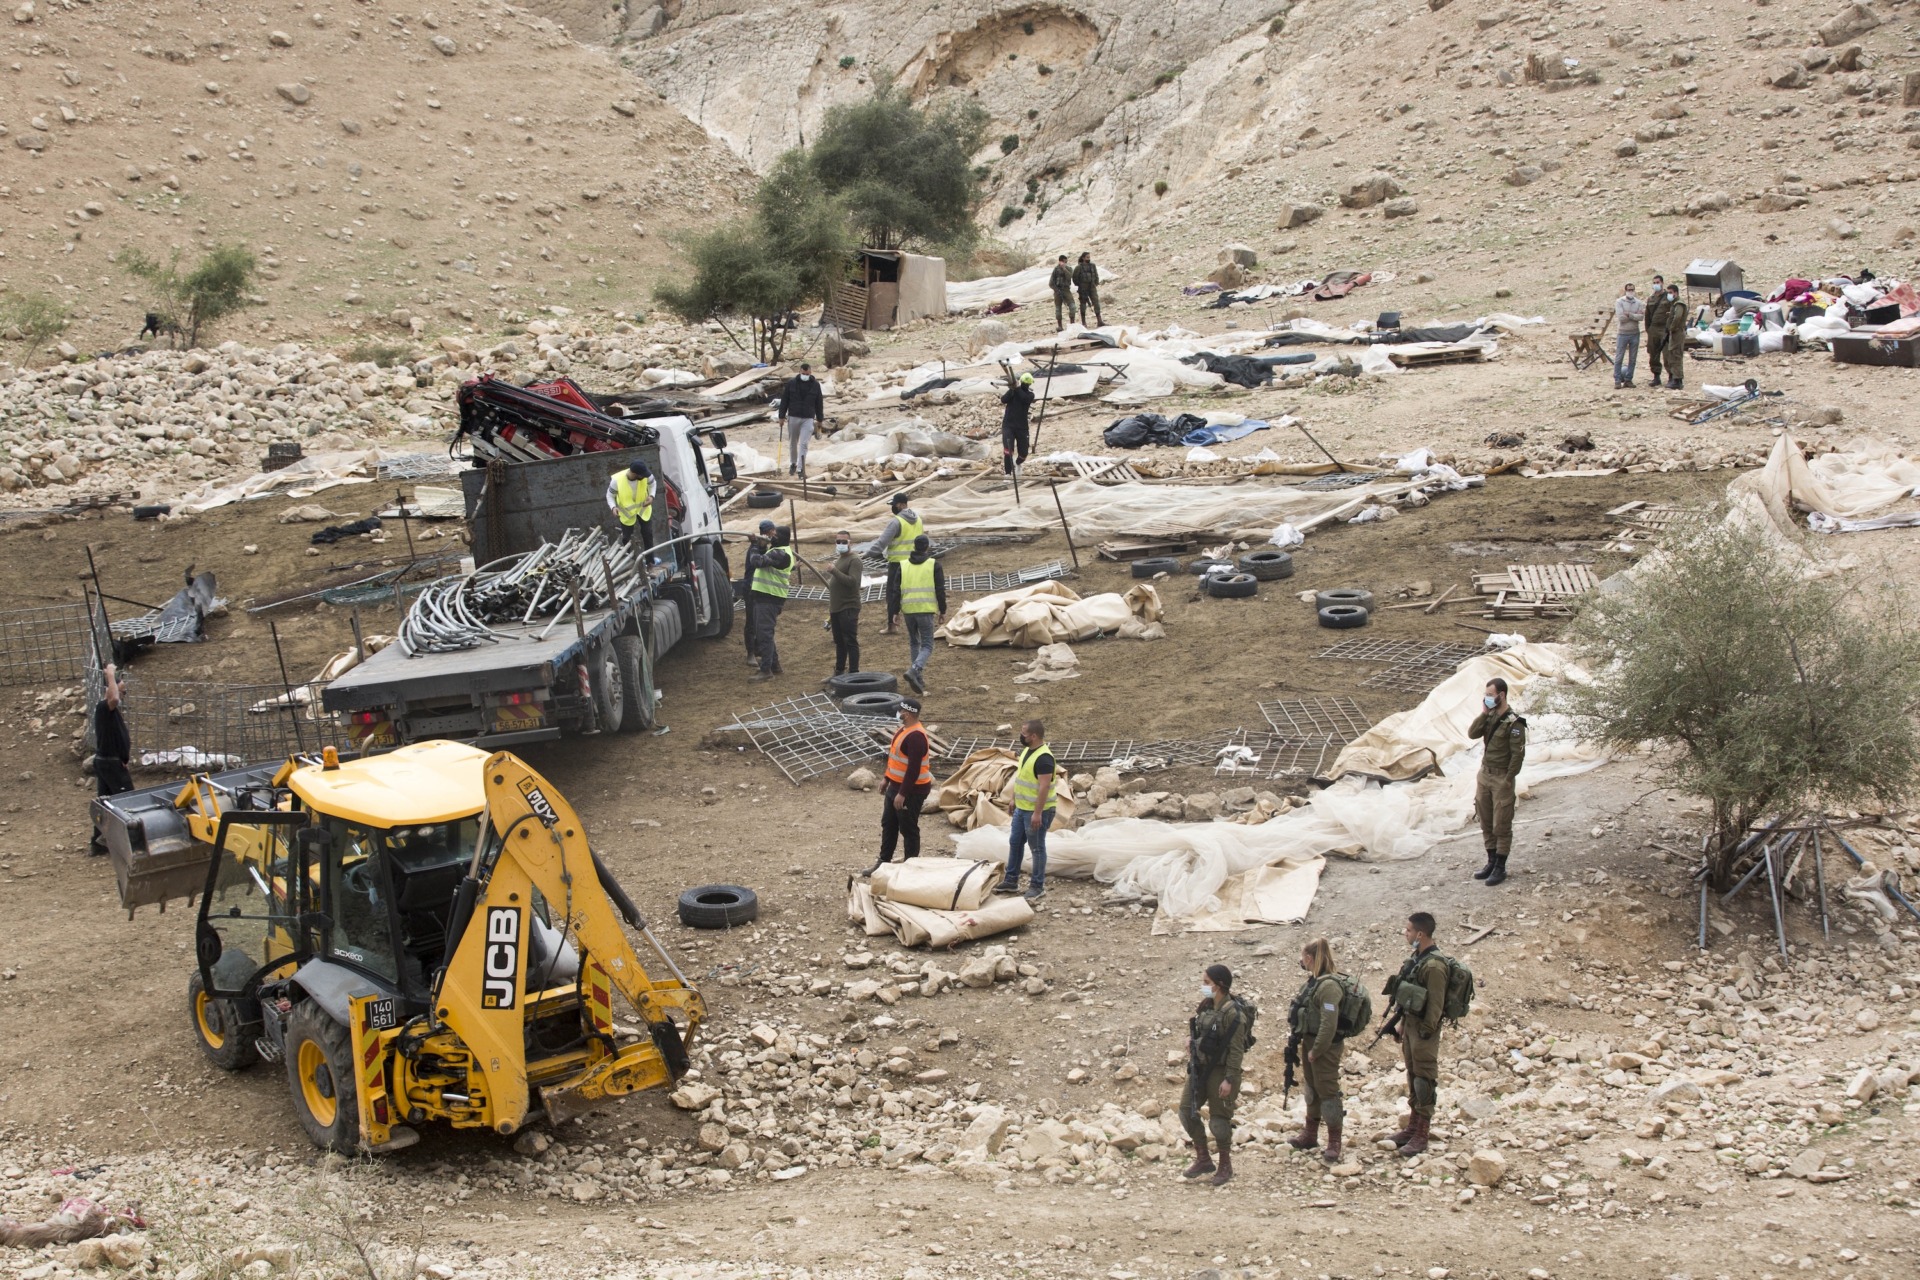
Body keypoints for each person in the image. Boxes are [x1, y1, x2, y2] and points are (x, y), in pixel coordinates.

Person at [1180, 963, 1251, 1186]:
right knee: (1186, 1110)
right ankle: (1203, 1158)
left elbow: (1236, 1050)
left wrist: (1229, 1079)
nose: (1203, 987)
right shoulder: (1207, 1006)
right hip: (1200, 1068)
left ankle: (1225, 1164)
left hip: (1221, 1072)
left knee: (1219, 1121)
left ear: (1219, 986)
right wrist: (1192, 1042)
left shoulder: (1233, 1013)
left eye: (1207, 983)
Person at [1385, 912, 1450, 1157]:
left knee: (1424, 1079)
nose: (1406, 933)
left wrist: (1425, 1031)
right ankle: (1413, 1127)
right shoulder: (1418, 959)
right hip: (1412, 1024)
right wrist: (1402, 1023)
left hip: (1424, 1029)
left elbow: (1435, 1004)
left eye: (1409, 930)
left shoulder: (1434, 965)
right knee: (1413, 1076)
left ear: (1420, 934)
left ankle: (1422, 1132)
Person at [1285, 938, 1351, 1164]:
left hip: (1325, 1047)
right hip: (1310, 1041)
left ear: (1310, 958)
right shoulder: (1313, 982)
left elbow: (1329, 1023)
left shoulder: (1329, 986)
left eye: (1303, 956)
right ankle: (1310, 1134)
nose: (1301, 961)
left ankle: (1334, 1142)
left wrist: (1317, 1050)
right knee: (1312, 1089)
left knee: (1328, 1092)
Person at [1466, 676, 1527, 886]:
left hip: (1501, 777)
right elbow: (1472, 733)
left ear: (1501, 695)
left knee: (1501, 823)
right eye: (1486, 695)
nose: (1487, 698)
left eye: (1490, 695)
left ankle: (1500, 866)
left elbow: (1517, 755)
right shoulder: (1490, 716)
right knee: (1485, 818)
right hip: (1485, 775)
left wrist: (1509, 779)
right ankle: (1490, 861)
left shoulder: (1515, 723)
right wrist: (1483, 713)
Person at [867, 697, 932, 874]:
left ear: (908, 714)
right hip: (896, 787)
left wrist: (902, 794)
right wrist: (886, 779)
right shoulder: (903, 730)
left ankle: (910, 868)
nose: (898, 713)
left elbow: (913, 769)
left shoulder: (916, 737)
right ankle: (883, 862)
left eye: (901, 711)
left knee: (908, 828)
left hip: (912, 791)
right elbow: (896, 760)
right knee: (889, 824)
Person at [993, 719, 1055, 902]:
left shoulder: (1044, 758)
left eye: (1024, 733)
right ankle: (1011, 880)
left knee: (1037, 848)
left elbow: (1043, 788)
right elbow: (1021, 777)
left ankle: (1037, 886)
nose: (1021, 736)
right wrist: (1014, 798)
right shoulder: (1028, 751)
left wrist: (1037, 813)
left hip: (1037, 812)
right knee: (1015, 842)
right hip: (1022, 808)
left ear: (1034, 736)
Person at [887, 533, 946, 694]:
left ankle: (918, 678)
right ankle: (915, 670)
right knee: (927, 645)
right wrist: (943, 610)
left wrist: (894, 612)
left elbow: (895, 591)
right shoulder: (934, 565)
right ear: (927, 547)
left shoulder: (903, 565)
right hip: (925, 610)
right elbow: (940, 590)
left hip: (908, 611)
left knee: (914, 642)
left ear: (914, 547)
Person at [89, 663, 134, 856]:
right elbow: (114, 697)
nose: (122, 696)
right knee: (129, 801)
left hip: (109, 762)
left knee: (105, 804)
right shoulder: (104, 707)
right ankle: (132, 841)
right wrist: (111, 673)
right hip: (110, 764)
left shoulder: (109, 711)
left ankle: (99, 842)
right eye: (122, 692)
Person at [864, 493, 925, 634]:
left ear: (900, 504)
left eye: (894, 504)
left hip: (897, 565)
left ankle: (892, 626)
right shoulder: (918, 519)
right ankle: (918, 625)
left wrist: (867, 554)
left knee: (893, 595)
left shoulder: (896, 522)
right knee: (914, 594)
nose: (893, 507)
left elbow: (881, 543)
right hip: (915, 562)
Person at [745, 525, 792, 682]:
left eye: (775, 534)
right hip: (765, 597)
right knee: (766, 633)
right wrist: (763, 547)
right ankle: (774, 666)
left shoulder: (781, 553)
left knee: (764, 634)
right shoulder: (776, 551)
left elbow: (756, 562)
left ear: (781, 538)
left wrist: (754, 545)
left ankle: (766, 671)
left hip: (769, 598)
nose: (771, 535)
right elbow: (766, 561)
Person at [777, 362, 825, 477]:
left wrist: (820, 419)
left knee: (804, 444)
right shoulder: (791, 384)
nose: (805, 375)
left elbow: (819, 403)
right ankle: (793, 463)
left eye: (807, 374)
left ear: (810, 372)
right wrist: (781, 416)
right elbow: (785, 400)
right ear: (799, 372)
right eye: (803, 373)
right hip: (793, 416)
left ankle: (800, 469)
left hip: (808, 418)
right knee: (793, 442)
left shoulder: (815, 385)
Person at [826, 528, 863, 678]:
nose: (840, 544)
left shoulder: (854, 560)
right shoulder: (840, 558)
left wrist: (834, 571)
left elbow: (853, 583)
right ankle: (839, 672)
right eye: (838, 541)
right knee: (839, 642)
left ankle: (853, 673)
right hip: (836, 608)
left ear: (850, 542)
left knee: (850, 641)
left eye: (843, 541)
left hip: (848, 607)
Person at [743, 518, 777, 667]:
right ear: (767, 532)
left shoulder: (767, 547)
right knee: (751, 622)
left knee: (760, 624)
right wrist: (754, 544)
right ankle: (751, 653)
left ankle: (759, 650)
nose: (774, 534)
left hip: (761, 589)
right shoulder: (755, 549)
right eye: (772, 531)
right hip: (751, 589)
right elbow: (756, 562)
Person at [604, 459, 654, 553]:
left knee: (648, 534)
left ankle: (650, 562)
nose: (645, 476)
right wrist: (613, 507)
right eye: (642, 475)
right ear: (635, 474)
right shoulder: (617, 481)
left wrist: (651, 496)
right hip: (626, 514)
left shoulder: (646, 476)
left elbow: (652, 483)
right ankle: (631, 561)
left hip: (643, 510)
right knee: (626, 539)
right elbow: (610, 495)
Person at [1000, 372, 1036, 475]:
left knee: (1024, 452)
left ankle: (1018, 463)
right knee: (1008, 450)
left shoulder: (1030, 395)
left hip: (1022, 427)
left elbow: (1024, 398)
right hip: (1009, 425)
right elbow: (1003, 400)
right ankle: (1007, 473)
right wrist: (1012, 389)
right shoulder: (1013, 392)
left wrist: (1017, 388)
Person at [1612, 281, 1644, 389]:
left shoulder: (1639, 303)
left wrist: (1629, 314)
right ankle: (1617, 379)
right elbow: (1621, 318)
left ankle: (1628, 379)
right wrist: (1634, 316)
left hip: (1635, 333)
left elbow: (1641, 317)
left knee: (1633, 358)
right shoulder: (1619, 302)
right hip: (1623, 333)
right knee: (1619, 357)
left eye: (1632, 290)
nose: (1631, 291)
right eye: (1629, 290)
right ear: (1625, 291)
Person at [1644, 275, 1671, 387]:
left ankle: (1672, 376)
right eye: (1654, 282)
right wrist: (1648, 330)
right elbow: (1647, 316)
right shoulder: (1651, 299)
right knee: (1653, 354)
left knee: (1667, 354)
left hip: (1664, 328)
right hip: (1653, 329)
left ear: (1662, 283)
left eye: (1658, 282)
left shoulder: (1668, 297)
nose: (1656, 284)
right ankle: (1656, 376)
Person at [1662, 282, 1688, 391]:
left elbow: (1677, 318)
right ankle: (1675, 378)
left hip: (1677, 332)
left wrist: (1671, 328)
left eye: (1670, 293)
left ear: (1676, 293)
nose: (1669, 295)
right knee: (1672, 354)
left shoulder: (1679, 304)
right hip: (1674, 332)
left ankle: (1677, 380)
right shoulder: (1674, 304)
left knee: (1676, 355)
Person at [1072, 252, 1104, 327]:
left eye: (1089, 257)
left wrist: (1095, 283)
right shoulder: (1078, 267)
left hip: (1092, 287)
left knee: (1096, 302)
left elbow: (1096, 275)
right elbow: (1074, 278)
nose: (1088, 259)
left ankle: (1099, 321)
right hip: (1083, 288)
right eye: (1087, 257)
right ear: (1083, 258)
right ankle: (1084, 322)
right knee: (1083, 304)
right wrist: (1080, 285)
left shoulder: (1092, 266)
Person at [1048, 255, 1074, 330]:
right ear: (1060, 261)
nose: (1065, 263)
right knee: (1058, 309)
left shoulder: (1069, 269)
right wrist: (1056, 290)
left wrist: (1064, 269)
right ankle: (1060, 326)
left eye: (1066, 262)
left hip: (1066, 290)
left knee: (1072, 307)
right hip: (1058, 291)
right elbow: (1051, 283)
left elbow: (1070, 277)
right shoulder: (1056, 270)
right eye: (1064, 262)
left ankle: (1072, 324)